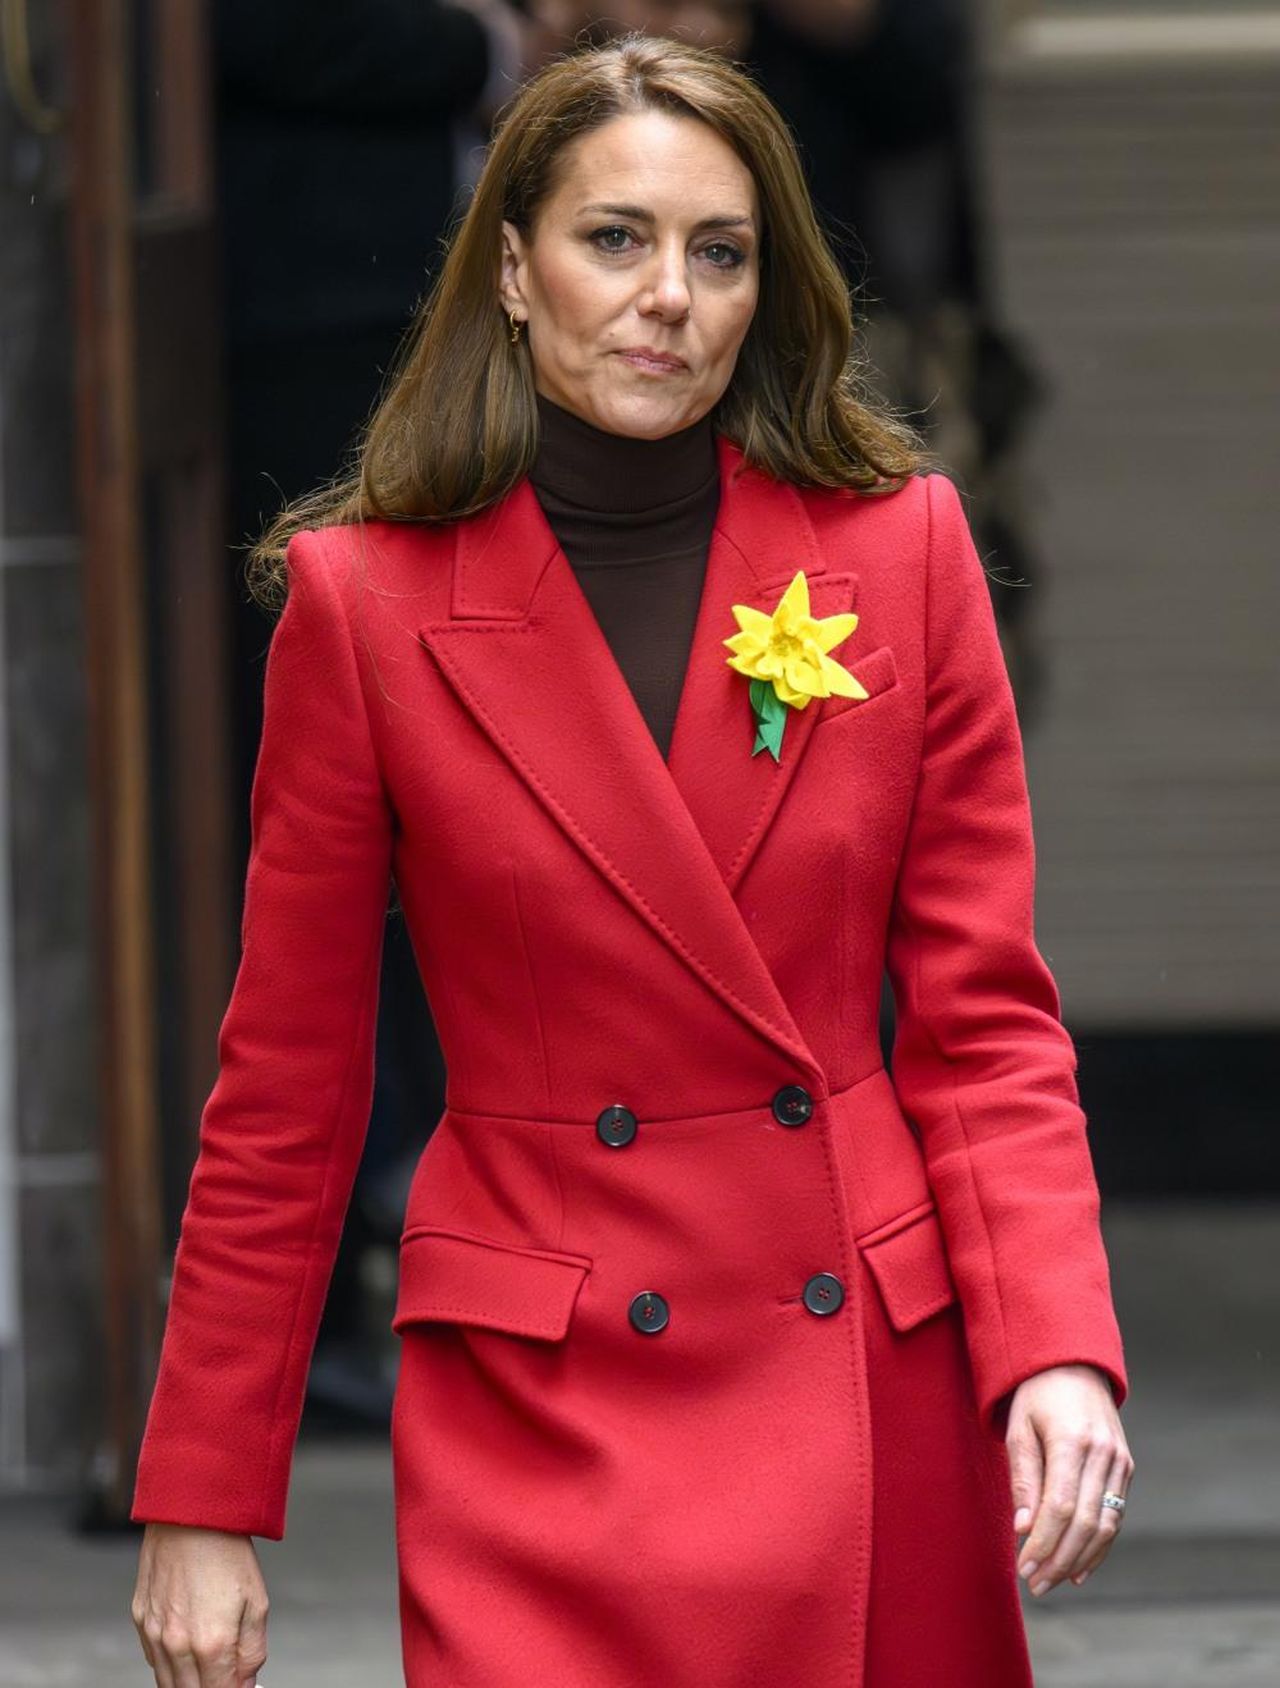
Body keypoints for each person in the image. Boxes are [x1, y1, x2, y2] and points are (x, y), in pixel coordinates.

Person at [129, 33, 1133, 1688]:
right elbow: (286, 1092)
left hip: (859, 1386)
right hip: (544, 1420)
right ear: (512, 268)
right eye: (616, 238)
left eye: (719, 252)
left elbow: (986, 1029)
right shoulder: (364, 605)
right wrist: (201, 1494)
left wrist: (1058, 1348)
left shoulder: (903, 551)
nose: (669, 294)